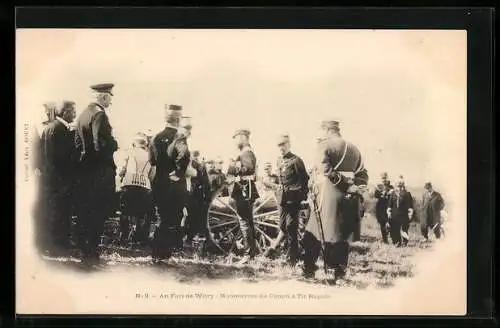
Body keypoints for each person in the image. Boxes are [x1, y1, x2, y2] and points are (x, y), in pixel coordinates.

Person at [301, 120, 369, 281]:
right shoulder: (354, 148)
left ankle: (309, 270)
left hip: (328, 194)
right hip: (349, 198)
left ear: (327, 130)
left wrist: (344, 185)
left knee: (315, 232)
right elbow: (363, 173)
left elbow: (325, 170)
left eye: (321, 130)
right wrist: (356, 188)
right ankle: (339, 272)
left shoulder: (323, 145)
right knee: (341, 234)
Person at [74, 83, 118, 265]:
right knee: (97, 212)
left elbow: (77, 143)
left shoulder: (83, 115)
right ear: (103, 97)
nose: (110, 102)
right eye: (109, 98)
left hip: (85, 171)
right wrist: (114, 144)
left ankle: (84, 249)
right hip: (99, 173)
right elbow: (101, 144)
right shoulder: (100, 115)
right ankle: (91, 252)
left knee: (86, 211)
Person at [149, 105, 190, 262]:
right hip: (174, 186)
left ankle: (156, 255)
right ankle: (164, 256)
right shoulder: (179, 137)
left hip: (159, 182)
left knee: (161, 218)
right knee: (172, 220)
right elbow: (184, 155)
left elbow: (152, 160)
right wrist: (178, 173)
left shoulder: (156, 137)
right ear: (178, 119)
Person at [41, 100, 78, 256]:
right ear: (65, 112)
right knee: (62, 211)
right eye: (73, 111)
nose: (75, 114)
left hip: (49, 178)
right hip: (62, 178)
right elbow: (64, 158)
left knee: (52, 210)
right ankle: (60, 244)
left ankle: (50, 243)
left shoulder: (48, 128)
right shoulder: (62, 130)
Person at [226, 129, 260, 264]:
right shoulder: (245, 153)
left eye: (236, 138)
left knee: (244, 222)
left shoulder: (247, 153)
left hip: (245, 190)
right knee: (247, 222)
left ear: (243, 138)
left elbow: (249, 168)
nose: (235, 141)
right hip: (244, 190)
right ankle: (251, 253)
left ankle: (248, 255)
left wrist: (231, 167)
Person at [118, 133, 155, 246]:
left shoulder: (129, 152)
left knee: (125, 212)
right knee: (141, 214)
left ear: (135, 142)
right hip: (144, 185)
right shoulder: (150, 156)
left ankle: (123, 236)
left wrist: (121, 177)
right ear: (145, 143)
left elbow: (122, 170)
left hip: (129, 183)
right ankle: (138, 238)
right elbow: (152, 174)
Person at [32, 102, 58, 255]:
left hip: (46, 173)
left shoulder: (48, 128)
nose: (49, 114)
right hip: (41, 172)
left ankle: (45, 240)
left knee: (47, 207)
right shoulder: (39, 128)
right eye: (47, 111)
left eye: (50, 111)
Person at [184, 150, 211, 255]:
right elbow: (206, 183)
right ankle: (191, 240)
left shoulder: (197, 166)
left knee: (191, 217)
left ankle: (189, 240)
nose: (194, 158)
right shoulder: (199, 166)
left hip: (193, 195)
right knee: (194, 218)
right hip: (194, 195)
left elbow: (205, 182)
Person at [386, 176, 414, 247]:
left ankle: (404, 243)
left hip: (403, 214)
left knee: (404, 229)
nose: (398, 186)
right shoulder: (393, 194)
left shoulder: (407, 194)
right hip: (394, 214)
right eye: (397, 184)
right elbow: (390, 204)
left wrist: (410, 214)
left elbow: (410, 205)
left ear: (402, 185)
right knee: (394, 229)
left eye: (400, 184)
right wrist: (389, 212)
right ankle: (397, 243)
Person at [374, 172, 394, 243]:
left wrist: (389, 193)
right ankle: (385, 240)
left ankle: (390, 234)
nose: (384, 179)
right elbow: (375, 194)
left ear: (387, 178)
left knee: (390, 221)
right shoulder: (378, 186)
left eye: (385, 178)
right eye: (382, 178)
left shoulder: (391, 186)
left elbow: (393, 194)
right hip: (380, 206)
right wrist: (382, 193)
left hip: (388, 206)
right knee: (382, 223)